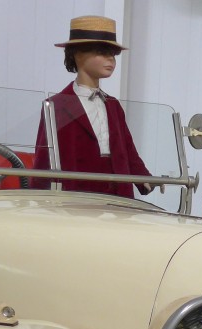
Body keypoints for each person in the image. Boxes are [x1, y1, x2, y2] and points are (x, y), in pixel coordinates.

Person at [33, 15, 151, 199]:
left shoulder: (113, 105)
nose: (110, 59)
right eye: (102, 52)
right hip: (76, 195)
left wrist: (143, 177)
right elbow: (44, 156)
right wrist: (37, 195)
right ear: (78, 54)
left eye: (113, 54)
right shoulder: (56, 105)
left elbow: (127, 148)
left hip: (118, 195)